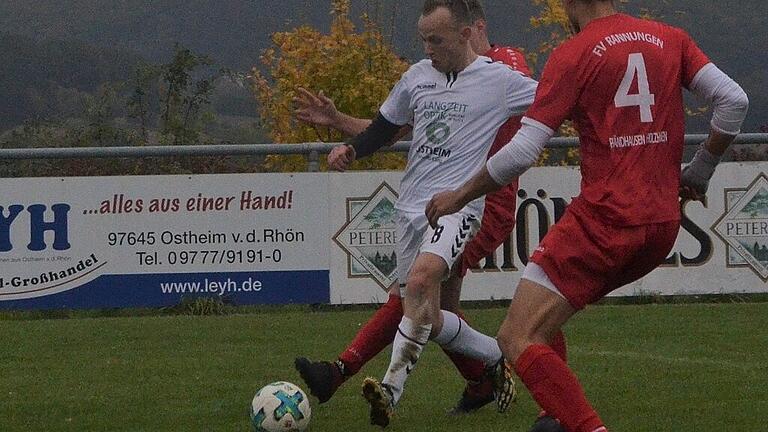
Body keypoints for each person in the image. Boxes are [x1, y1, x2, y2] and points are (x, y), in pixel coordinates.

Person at [425, 0, 749, 431]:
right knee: (540, 310)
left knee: (515, 336)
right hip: (662, 226)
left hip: (607, 219)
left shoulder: (575, 52)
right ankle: (553, 417)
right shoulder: (670, 38)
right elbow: (733, 100)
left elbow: (523, 150)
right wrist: (700, 170)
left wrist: (459, 194)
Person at [293, 0, 569, 417]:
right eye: (423, 39)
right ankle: (496, 360)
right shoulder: (419, 77)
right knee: (426, 313)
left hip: (469, 202)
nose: (427, 48)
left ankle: (382, 388)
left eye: (434, 39)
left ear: (470, 31)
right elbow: (388, 128)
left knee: (421, 285)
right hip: (412, 209)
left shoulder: (501, 72)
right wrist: (350, 143)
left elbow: (559, 100)